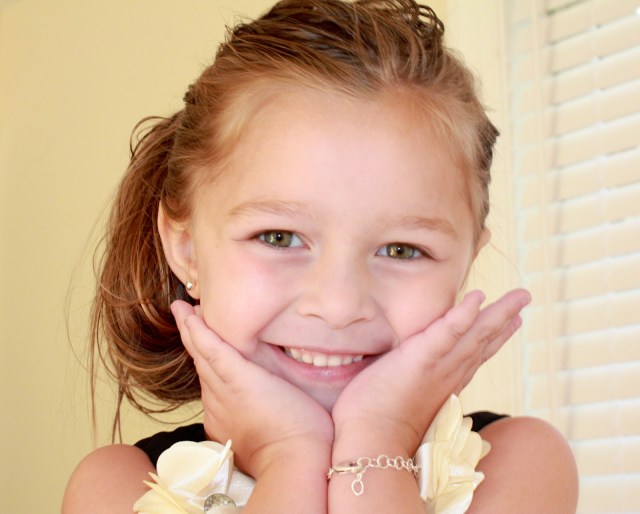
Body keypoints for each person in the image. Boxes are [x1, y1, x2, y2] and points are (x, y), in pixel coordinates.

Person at [62, 0, 578, 512]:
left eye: (402, 250)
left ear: (464, 266)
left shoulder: (520, 465)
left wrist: (377, 438)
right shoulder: (115, 489)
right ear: (186, 248)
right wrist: (289, 456)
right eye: (279, 237)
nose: (338, 305)